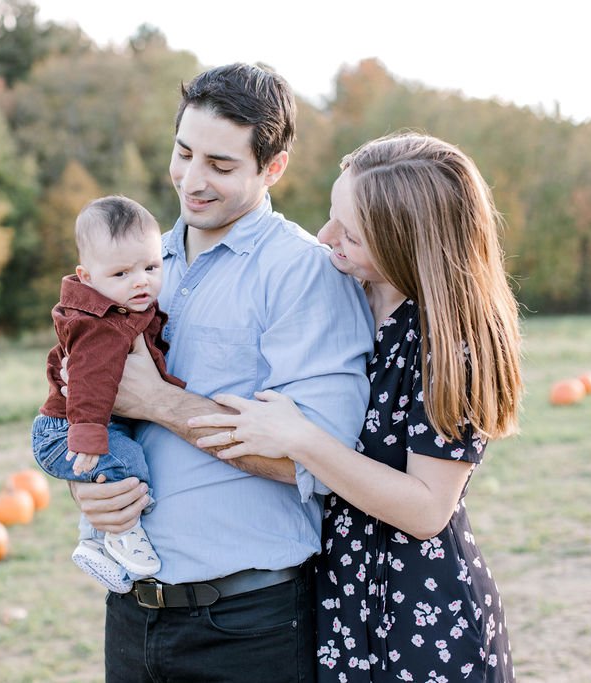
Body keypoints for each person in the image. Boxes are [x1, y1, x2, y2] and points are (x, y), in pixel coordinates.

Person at [68, 63, 375, 681]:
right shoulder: (138, 262)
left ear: (274, 167)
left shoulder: (303, 273)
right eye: (184, 153)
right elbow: (84, 395)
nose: (192, 180)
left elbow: (320, 462)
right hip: (133, 613)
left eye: (221, 165)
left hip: (247, 622)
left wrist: (162, 403)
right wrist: (88, 484)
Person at [189, 132, 523, 681]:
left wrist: (300, 438)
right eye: (331, 216)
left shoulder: (452, 340)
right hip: (340, 590)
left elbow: (425, 511)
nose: (325, 238)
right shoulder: (340, 293)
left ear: (408, 245)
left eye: (352, 235)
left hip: (418, 613)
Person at [32, 195, 186, 594]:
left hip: (81, 425)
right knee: (127, 462)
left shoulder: (125, 309)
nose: (141, 281)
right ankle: (121, 537)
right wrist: (86, 434)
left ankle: (95, 543)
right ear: (86, 277)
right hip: (68, 429)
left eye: (151, 267)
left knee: (119, 460)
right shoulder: (101, 325)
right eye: (121, 273)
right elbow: (87, 383)